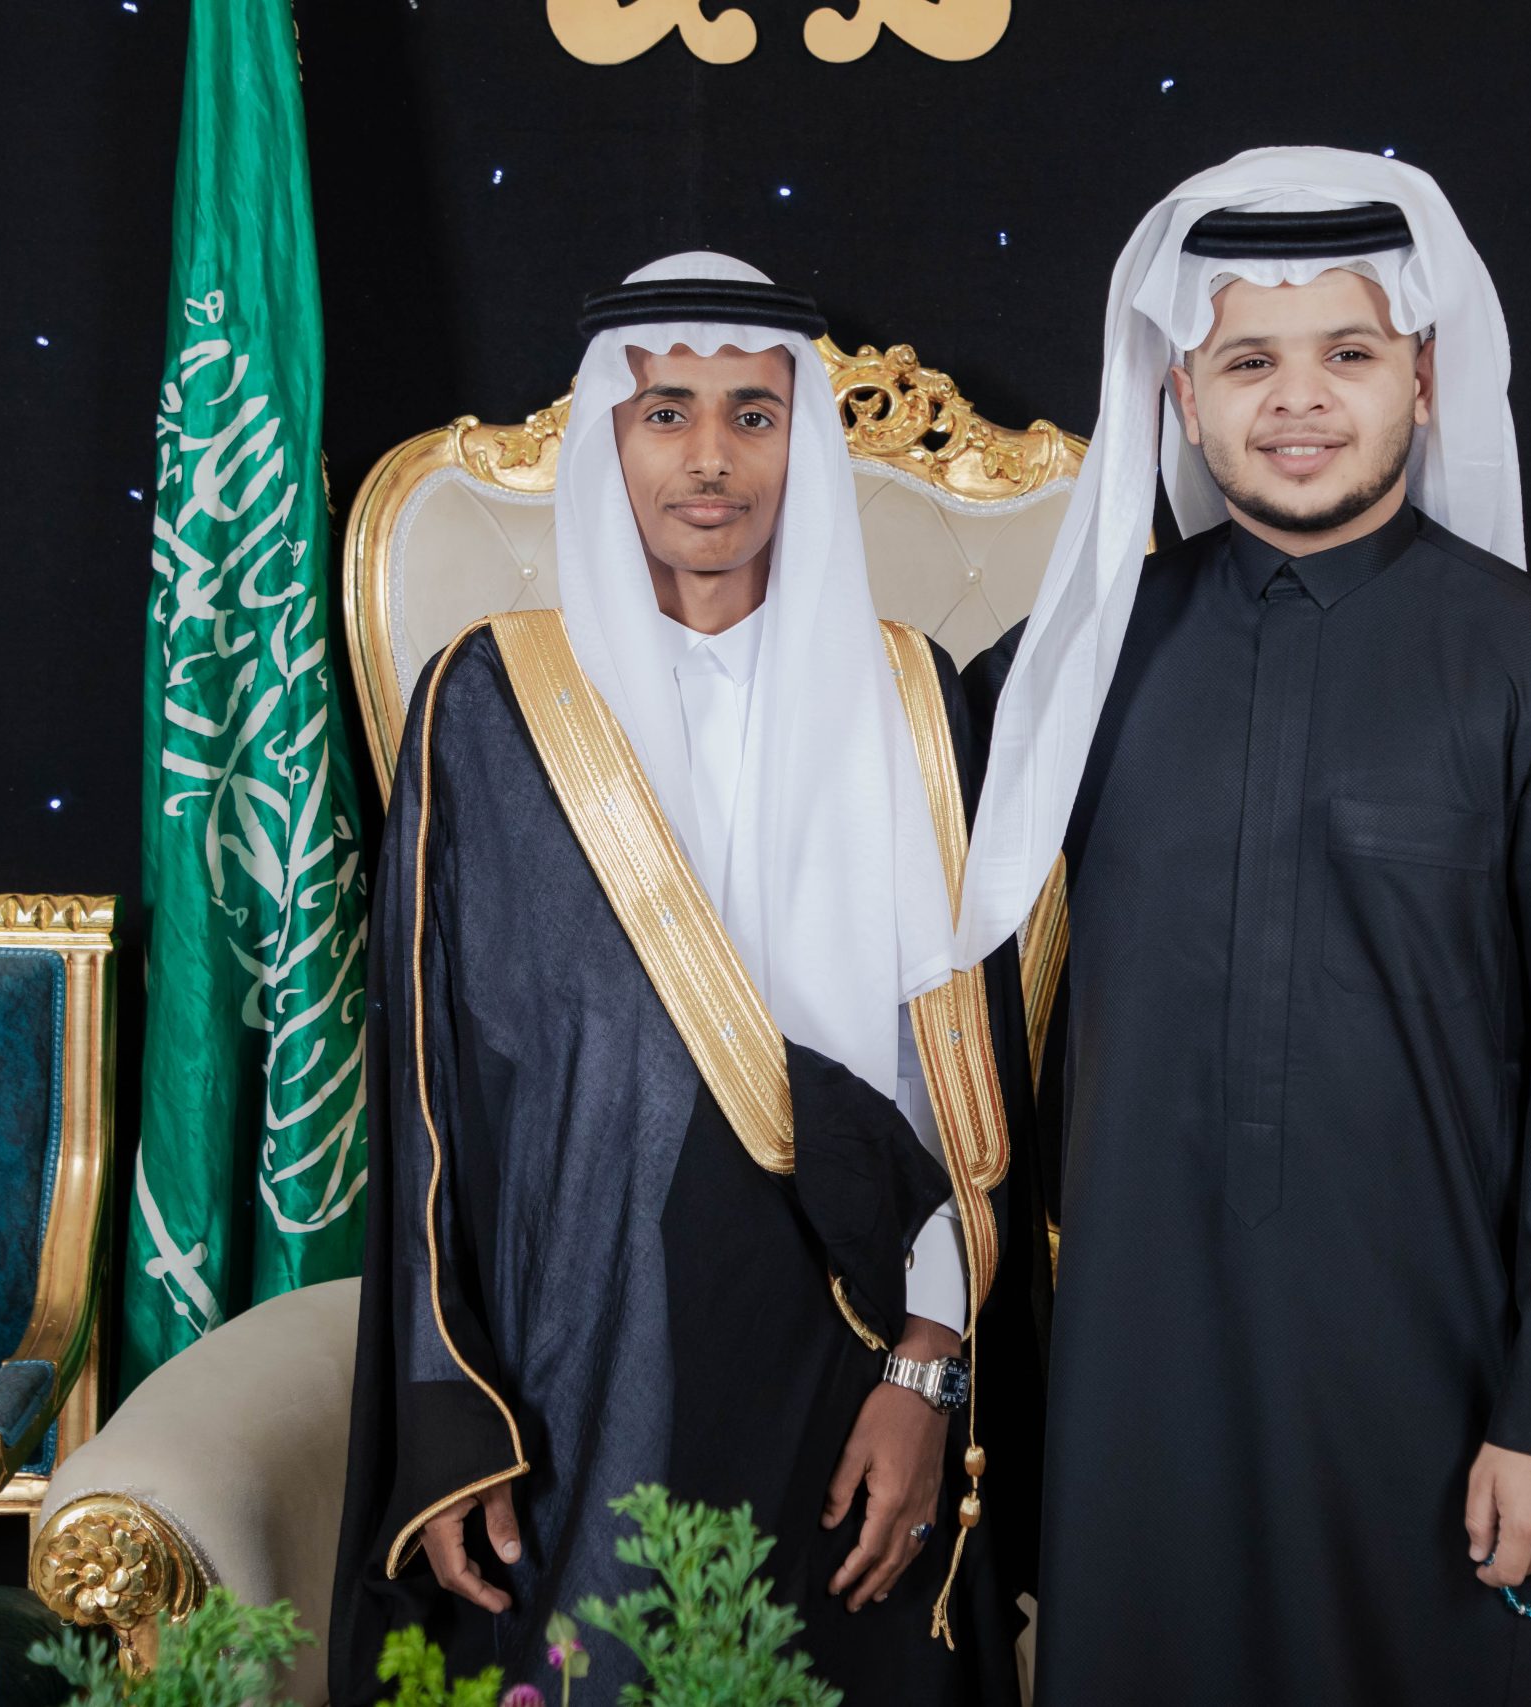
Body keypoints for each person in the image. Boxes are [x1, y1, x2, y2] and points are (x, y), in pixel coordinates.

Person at [958, 148, 1531, 1704]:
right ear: (1179, 396)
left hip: (1443, 1386)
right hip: (1145, 1377)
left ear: (1424, 376)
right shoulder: (1070, 673)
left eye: (1347, 353)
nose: (1297, 401)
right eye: (1247, 363)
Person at [330, 253, 1041, 1707]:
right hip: (569, 1361)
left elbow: (957, 1091)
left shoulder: (912, 698)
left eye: (752, 415)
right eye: (666, 413)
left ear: (803, 443)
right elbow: (428, 1093)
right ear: (609, 435)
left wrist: (926, 1379)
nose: (709, 459)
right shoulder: (489, 701)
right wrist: (451, 1408)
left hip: (846, 1358)